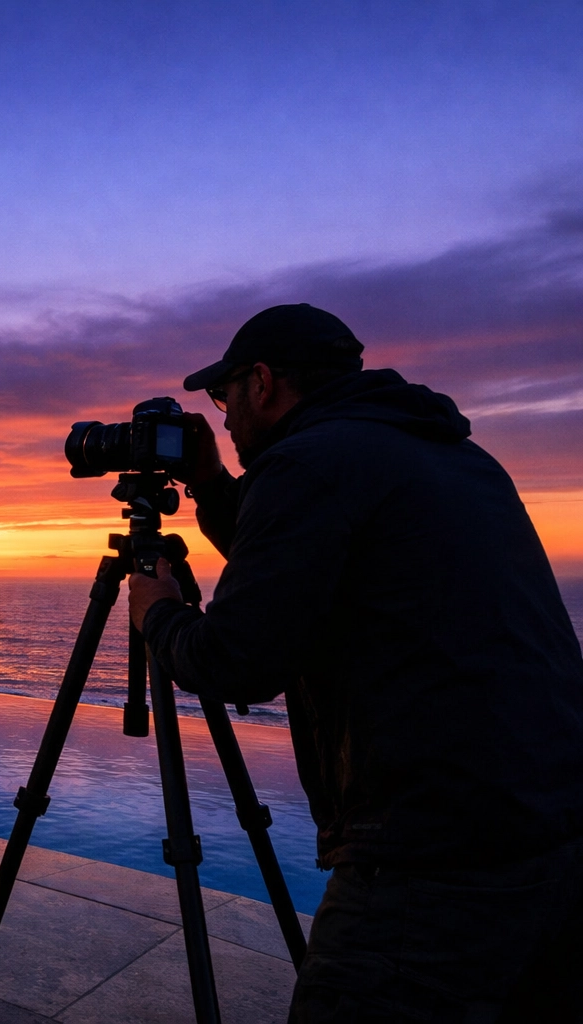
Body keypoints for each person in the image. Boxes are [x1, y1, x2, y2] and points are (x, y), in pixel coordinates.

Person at [125, 303, 583, 1022]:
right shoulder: (445, 451)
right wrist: (213, 484)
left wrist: (156, 610)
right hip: (552, 831)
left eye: (224, 396)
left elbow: (238, 661)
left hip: (432, 857)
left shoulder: (307, 462)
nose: (225, 414)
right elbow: (300, 555)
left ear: (263, 382)